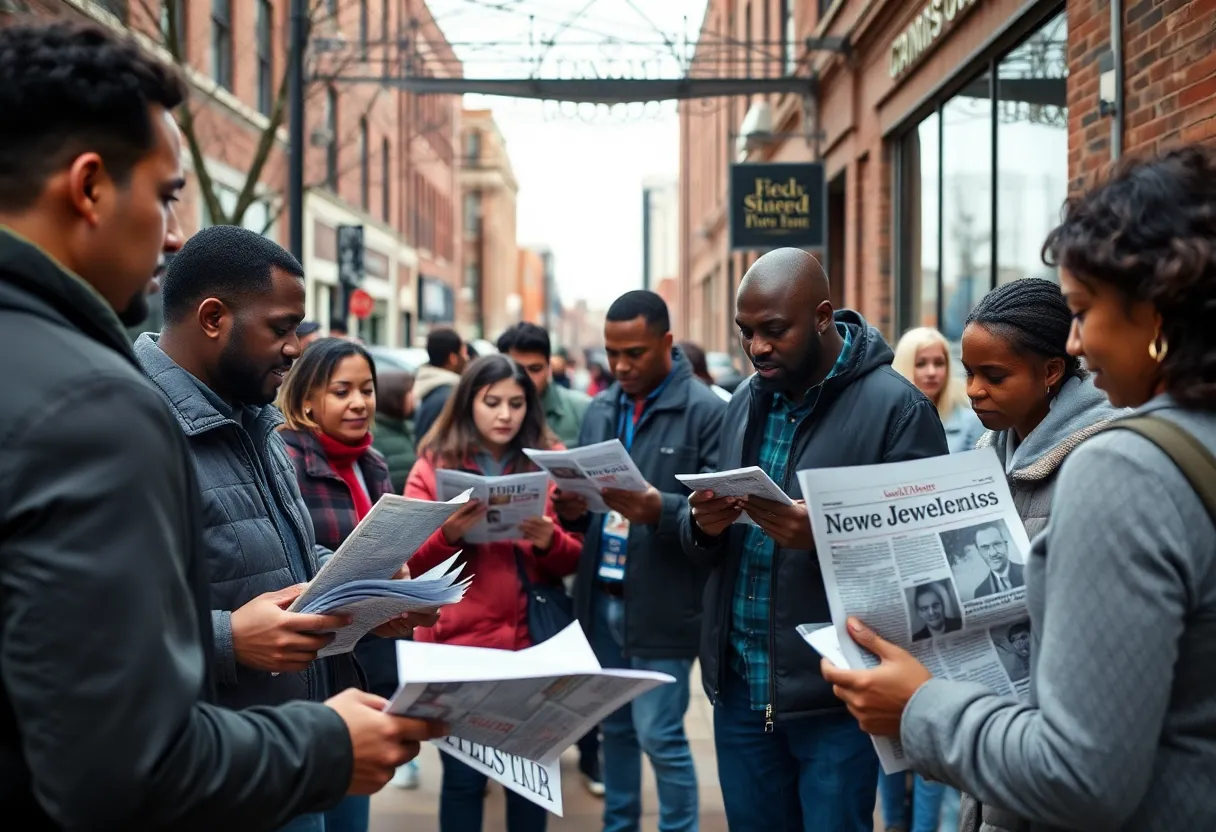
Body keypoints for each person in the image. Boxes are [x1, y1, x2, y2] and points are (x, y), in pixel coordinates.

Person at [0, 20, 437, 828]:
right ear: (90, 187)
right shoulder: (99, 406)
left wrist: (363, 596)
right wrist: (323, 746)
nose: (172, 235)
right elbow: (120, 759)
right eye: (167, 197)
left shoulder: (248, 420)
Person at [822, 146, 1216, 832]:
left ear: (1154, 313)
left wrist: (919, 708)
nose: (1078, 344)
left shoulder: (1123, 470)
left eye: (1084, 310)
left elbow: (1081, 775)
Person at [137, 225, 437, 832]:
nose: (297, 347)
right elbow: (93, 629)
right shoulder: (132, 423)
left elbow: (271, 564)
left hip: (291, 748)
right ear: (214, 317)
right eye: (282, 327)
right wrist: (225, 639)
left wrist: (368, 594)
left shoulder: (254, 420)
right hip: (211, 777)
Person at [680, 248, 947, 832]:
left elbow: (927, 558)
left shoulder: (897, 410)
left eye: (773, 331)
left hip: (836, 698)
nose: (757, 348)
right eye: (746, 333)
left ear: (823, 317)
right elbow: (695, 532)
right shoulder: (744, 400)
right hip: (740, 689)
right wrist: (701, 525)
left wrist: (823, 536)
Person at [557, 290, 726, 832]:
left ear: (667, 344)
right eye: (612, 353)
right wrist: (572, 506)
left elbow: (721, 518)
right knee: (616, 732)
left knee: (661, 735)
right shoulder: (601, 408)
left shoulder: (705, 412)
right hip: (600, 595)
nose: (621, 366)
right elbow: (591, 516)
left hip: (663, 604)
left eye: (634, 353)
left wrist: (661, 509)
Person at [406, 354, 584, 832]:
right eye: (492, 403)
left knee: (529, 779)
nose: (506, 414)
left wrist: (550, 539)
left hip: (531, 645)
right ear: (469, 403)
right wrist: (448, 534)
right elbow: (409, 563)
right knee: (463, 782)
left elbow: (571, 561)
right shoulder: (435, 463)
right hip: (459, 647)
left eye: (517, 403)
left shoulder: (548, 459)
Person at [275, 337, 439, 829]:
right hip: (301, 666)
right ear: (307, 398)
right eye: (341, 390)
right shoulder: (282, 459)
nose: (358, 403)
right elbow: (285, 561)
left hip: (359, 655)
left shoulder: (373, 463)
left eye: (366, 389)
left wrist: (402, 585)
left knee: (351, 810)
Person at [495, 321, 602, 795]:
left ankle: (591, 756)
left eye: (534, 371)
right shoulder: (471, 427)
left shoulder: (579, 413)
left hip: (570, 554)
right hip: (505, 575)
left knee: (579, 669)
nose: (524, 380)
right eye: (514, 370)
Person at [963, 278, 1123, 539]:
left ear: (1051, 371)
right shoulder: (987, 453)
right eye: (969, 372)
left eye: (994, 376)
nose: (973, 390)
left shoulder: (1107, 459)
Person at [498, 323, 592, 451]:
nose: (527, 378)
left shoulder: (583, 410)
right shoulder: (484, 414)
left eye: (535, 369)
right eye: (517, 370)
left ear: (549, 367)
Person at [892, 327, 983, 453]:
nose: (931, 372)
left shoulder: (971, 422)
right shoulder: (887, 424)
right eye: (921, 364)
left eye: (939, 363)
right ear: (904, 366)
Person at [414, 326, 468, 447]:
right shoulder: (449, 397)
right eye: (464, 353)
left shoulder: (426, 387)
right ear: (453, 358)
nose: (466, 358)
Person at [373, 367, 417, 494]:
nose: (414, 396)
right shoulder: (376, 435)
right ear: (394, 397)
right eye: (409, 392)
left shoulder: (406, 427)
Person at [969, 524, 1022, 599]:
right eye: (985, 547)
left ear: (1006, 545)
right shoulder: (980, 593)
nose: (993, 553)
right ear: (979, 553)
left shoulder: (1030, 571)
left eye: (997, 544)